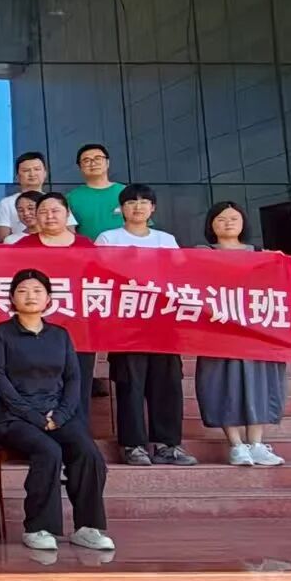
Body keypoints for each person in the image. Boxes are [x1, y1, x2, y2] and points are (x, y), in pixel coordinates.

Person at [0, 268, 114, 553]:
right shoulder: (0, 334)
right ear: (11, 298)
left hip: (56, 415)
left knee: (88, 452)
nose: (30, 296)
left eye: (37, 291)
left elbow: (73, 378)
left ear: (48, 298)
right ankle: (38, 527)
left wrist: (62, 414)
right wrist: (33, 416)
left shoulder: (60, 335)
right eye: (22, 291)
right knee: (48, 450)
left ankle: (87, 528)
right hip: (13, 418)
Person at [195, 201, 291, 466]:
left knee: (261, 381)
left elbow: (284, 290)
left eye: (233, 218)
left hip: (258, 331)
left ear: (243, 223)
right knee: (222, 383)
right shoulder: (201, 253)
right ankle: (236, 445)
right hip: (219, 331)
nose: (228, 223)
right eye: (221, 219)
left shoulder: (263, 254)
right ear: (211, 225)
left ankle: (257, 443)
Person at [95, 184, 195, 466]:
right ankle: (133, 445)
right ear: (121, 209)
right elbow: (100, 276)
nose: (137, 207)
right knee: (130, 384)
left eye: (144, 202)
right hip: (126, 323)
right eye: (131, 202)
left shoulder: (166, 239)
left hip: (163, 323)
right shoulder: (108, 238)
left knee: (167, 384)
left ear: (153, 208)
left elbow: (180, 275)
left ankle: (167, 444)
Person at [0, 152, 76, 242]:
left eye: (37, 169)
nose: (32, 174)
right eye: (26, 170)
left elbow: (71, 232)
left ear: (45, 173)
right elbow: (2, 239)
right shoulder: (6, 203)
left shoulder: (57, 200)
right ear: (17, 176)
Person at [69, 143, 126, 241]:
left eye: (98, 158)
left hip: (125, 249)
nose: (93, 163)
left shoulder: (126, 192)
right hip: (88, 249)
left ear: (107, 163)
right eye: (87, 160)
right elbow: (70, 232)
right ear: (80, 167)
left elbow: (142, 226)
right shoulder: (71, 198)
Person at [9, 193, 92, 248]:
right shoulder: (24, 244)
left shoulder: (84, 244)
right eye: (43, 212)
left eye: (55, 211)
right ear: (37, 215)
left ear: (67, 213)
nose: (49, 216)